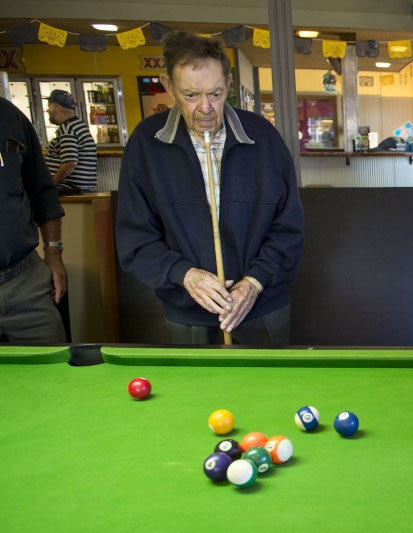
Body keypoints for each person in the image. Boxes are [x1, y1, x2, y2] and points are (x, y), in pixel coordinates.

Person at [115, 31, 304, 345]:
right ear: (168, 86)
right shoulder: (146, 144)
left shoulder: (263, 137)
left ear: (229, 83)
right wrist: (185, 275)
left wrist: (255, 282)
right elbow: (135, 239)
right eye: (191, 95)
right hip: (187, 313)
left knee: (272, 393)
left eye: (216, 94)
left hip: (262, 309)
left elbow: (289, 228)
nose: (205, 108)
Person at [0, 97, 67, 344]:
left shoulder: (9, 116)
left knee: (55, 372)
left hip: (24, 281)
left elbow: (42, 192)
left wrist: (53, 253)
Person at [44, 89, 97, 195]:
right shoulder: (78, 125)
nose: (48, 110)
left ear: (57, 107)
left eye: (49, 106)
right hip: (81, 189)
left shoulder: (67, 129)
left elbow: (70, 163)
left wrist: (50, 184)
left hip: (69, 190)